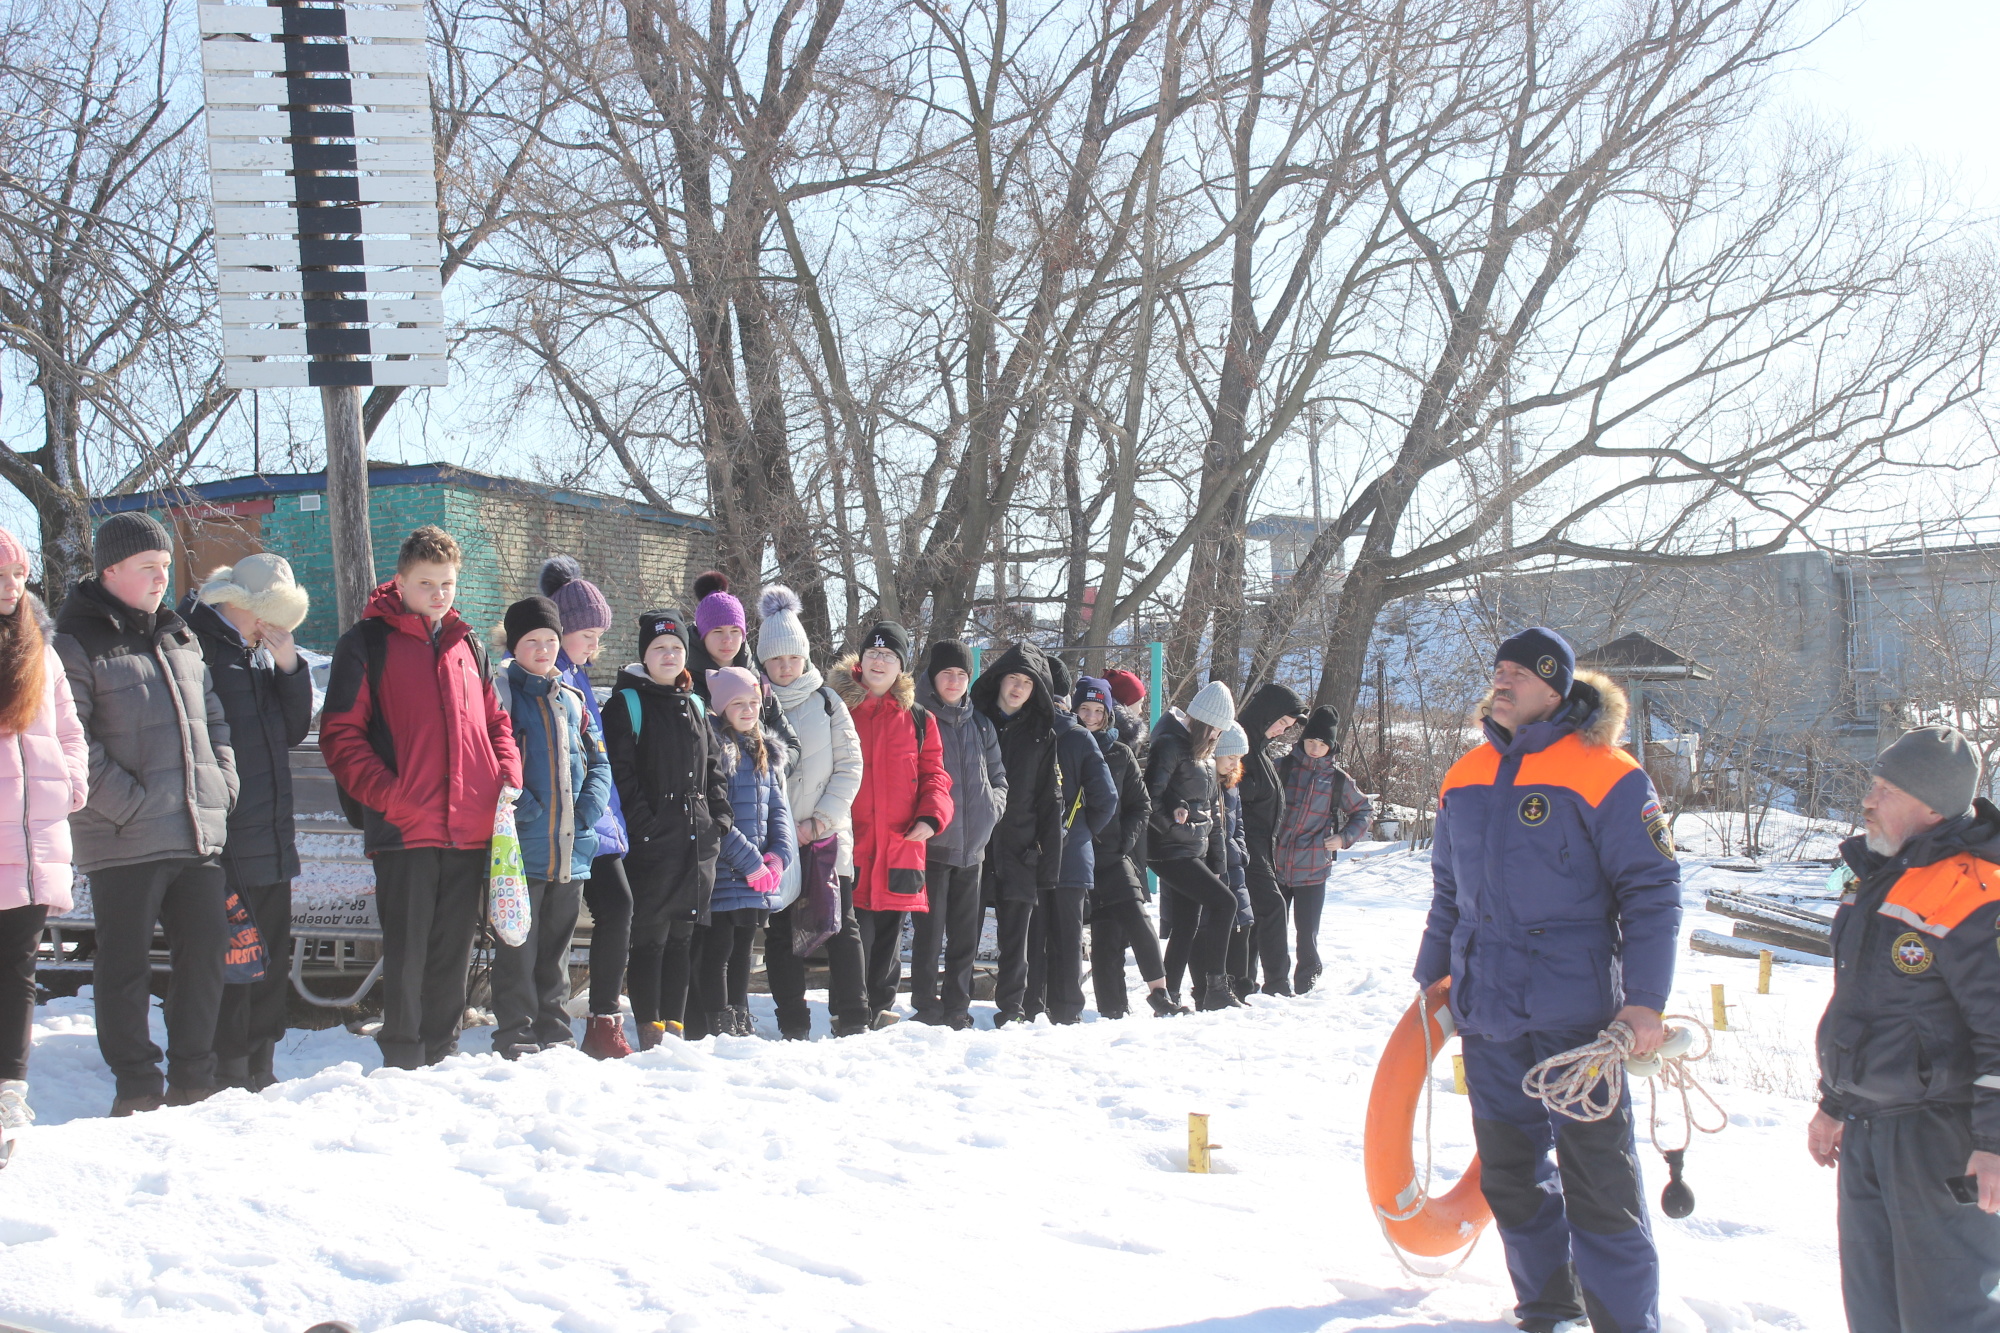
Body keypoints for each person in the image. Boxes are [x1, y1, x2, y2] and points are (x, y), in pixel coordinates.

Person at [1414, 627, 1680, 1333]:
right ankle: (1547, 1307)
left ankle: (1624, 1321)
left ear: (1555, 688)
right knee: (1509, 1174)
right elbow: (1449, 892)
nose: (1501, 683)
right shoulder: (1463, 776)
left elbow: (1652, 891)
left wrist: (1646, 1001)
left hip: (1577, 1016)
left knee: (1600, 1179)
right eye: (1497, 671)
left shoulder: (1609, 772)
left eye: (1518, 675)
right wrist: (1431, 979)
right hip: (1489, 1010)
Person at [1809, 725, 2000, 1332]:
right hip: (1867, 1128)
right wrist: (1834, 1102)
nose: (1869, 799)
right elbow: (1862, 1006)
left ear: (1932, 805)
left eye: (1886, 789)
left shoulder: (1976, 889)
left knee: (1949, 1314)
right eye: (1874, 784)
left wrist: (1995, 1145)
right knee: (1875, 1310)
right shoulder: (1877, 875)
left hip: (1939, 1136)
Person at [320, 526, 521, 1071]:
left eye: (447, 583)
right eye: (426, 582)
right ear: (402, 581)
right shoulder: (365, 643)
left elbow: (496, 720)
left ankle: (444, 1049)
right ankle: (404, 1055)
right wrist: (389, 796)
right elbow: (340, 735)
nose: (438, 593)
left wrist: (506, 772)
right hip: (405, 825)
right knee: (408, 950)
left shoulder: (467, 642)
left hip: (471, 822)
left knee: (453, 949)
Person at [58, 512, 238, 1114]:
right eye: (148, 568)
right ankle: (136, 1084)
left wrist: (223, 782)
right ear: (110, 570)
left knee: (205, 955)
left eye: (166, 567)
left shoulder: (178, 634)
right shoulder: (75, 640)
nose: (162, 578)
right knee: (125, 965)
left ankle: (193, 1079)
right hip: (123, 835)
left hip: (193, 831)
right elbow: (71, 739)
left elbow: (212, 719)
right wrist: (127, 803)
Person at [183, 555, 313, 1091]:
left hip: (270, 832)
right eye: (269, 614)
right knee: (235, 954)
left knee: (270, 954)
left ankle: (260, 1058)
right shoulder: (202, 648)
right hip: (231, 832)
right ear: (242, 604)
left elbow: (289, 732)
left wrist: (289, 668)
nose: (273, 626)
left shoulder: (255, 653)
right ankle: (230, 1064)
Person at [602, 610, 731, 1047]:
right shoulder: (627, 703)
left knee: (682, 937)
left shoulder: (695, 703)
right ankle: (648, 1026)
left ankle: (674, 1028)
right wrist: (644, 825)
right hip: (652, 841)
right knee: (651, 937)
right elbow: (620, 772)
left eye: (676, 647)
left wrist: (720, 818)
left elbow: (714, 767)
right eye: (659, 648)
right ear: (644, 654)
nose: (669, 655)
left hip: (697, 840)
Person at [490, 596, 610, 1060]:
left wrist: (585, 813)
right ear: (513, 645)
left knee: (557, 948)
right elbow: (492, 761)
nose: (542, 649)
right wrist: (528, 811)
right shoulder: (501, 693)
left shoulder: (574, 701)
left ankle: (555, 1032)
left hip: (571, 846)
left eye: (550, 641)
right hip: (523, 849)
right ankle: (516, 1033)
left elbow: (599, 763)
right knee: (518, 944)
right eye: (532, 641)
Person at [0, 525, 87, 1154]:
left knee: (19, 970)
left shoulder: (42, 650)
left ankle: (10, 1090)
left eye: (17, 575)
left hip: (32, 841)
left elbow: (70, 730)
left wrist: (69, 788)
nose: (10, 588)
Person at [754, 586, 868, 1040]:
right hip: (776, 838)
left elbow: (850, 766)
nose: (785, 668)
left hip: (826, 833)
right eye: (776, 660)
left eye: (793, 658)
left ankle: (854, 1016)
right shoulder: (753, 702)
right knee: (781, 931)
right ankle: (792, 1022)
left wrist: (819, 821)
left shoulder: (828, 701)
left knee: (842, 926)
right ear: (764, 662)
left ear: (804, 657)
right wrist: (782, 829)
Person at [834, 621, 952, 1027]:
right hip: (850, 842)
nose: (879, 661)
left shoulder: (920, 719)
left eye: (888, 656)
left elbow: (936, 775)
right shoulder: (836, 707)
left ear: (900, 666)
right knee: (854, 932)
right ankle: (848, 1009)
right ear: (860, 660)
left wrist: (931, 816)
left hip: (902, 842)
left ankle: (880, 1006)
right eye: (872, 654)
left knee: (888, 931)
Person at [542, 556, 636, 1060]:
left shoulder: (578, 677)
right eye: (589, 635)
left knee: (618, 906)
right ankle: (548, 1016)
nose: (596, 646)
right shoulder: (553, 676)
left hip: (596, 825)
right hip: (564, 825)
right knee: (557, 923)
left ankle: (604, 1017)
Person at [695, 666, 795, 1038]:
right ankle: (718, 1020)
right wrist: (750, 860)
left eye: (753, 701)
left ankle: (740, 1014)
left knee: (743, 951)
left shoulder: (765, 752)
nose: (748, 709)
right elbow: (716, 814)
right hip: (725, 871)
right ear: (722, 707)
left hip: (757, 877)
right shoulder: (717, 750)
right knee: (718, 950)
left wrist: (777, 856)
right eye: (738, 703)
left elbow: (778, 809)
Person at [912, 640, 1006, 1029]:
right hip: (934, 846)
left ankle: (957, 1006)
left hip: (974, 849)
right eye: (947, 673)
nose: (954, 681)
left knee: (965, 936)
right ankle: (925, 1003)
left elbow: (998, 775)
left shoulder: (980, 723)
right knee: (929, 935)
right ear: (933, 676)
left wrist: (991, 809)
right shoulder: (918, 718)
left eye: (962, 674)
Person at [1074, 676, 1180, 1018]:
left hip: (1114, 854)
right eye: (1084, 709)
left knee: (1135, 914)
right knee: (1104, 937)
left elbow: (1141, 804)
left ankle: (1160, 994)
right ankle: (1113, 1010)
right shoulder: (1063, 746)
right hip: (1076, 856)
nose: (1090, 716)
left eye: (1097, 710)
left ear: (1108, 714)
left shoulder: (1119, 753)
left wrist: (1123, 842)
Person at [970, 642, 1063, 1028]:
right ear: (999, 680)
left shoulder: (1042, 735)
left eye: (1027, 682)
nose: (1018, 687)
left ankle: (1012, 1009)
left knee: (1016, 940)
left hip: (1022, 846)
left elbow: (1050, 800)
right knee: (963, 932)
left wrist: (1049, 861)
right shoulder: (973, 721)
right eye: (1013, 678)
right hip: (974, 844)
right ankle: (954, 1001)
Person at [1146, 680, 1240, 1013]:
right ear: (1201, 722)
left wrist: (1216, 859)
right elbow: (1150, 798)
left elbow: (1209, 810)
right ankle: (1215, 986)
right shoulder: (1170, 745)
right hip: (1168, 849)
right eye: (1215, 730)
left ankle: (1168, 995)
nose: (1217, 737)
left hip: (1191, 849)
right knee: (1225, 904)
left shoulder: (1202, 753)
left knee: (1187, 923)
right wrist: (1172, 826)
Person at [1034, 656, 1116, 1025]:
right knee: (1068, 937)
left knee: (1032, 934)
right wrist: (1083, 831)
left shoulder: (1021, 731)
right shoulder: (1080, 736)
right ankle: (1067, 1010)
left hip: (1029, 851)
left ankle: (1032, 1005)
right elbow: (1107, 797)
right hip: (1072, 854)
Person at [1272, 705, 1370, 994]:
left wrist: (1344, 838)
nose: (1315, 748)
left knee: (1307, 933)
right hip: (1275, 862)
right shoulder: (1282, 767)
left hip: (1313, 867)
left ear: (1331, 746)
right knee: (1269, 928)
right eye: (1310, 742)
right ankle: (1269, 981)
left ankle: (1306, 981)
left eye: (1322, 744)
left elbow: (1363, 811)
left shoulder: (1338, 779)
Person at [1234, 682, 1307, 997]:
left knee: (1253, 917)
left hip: (1263, 847)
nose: (1281, 731)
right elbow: (1229, 786)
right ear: (1267, 714)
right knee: (1273, 908)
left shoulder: (1260, 749)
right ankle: (1277, 983)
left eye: (1287, 728)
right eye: (1280, 723)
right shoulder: (1239, 743)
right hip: (1246, 845)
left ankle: (1245, 982)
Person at [685, 571, 800, 770]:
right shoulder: (687, 685)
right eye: (718, 631)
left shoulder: (757, 682)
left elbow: (791, 745)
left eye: (735, 631)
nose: (728, 640)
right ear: (702, 635)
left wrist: (772, 773)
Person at [1212, 723, 1256, 1007]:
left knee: (1244, 923)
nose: (1233, 764)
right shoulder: (1205, 780)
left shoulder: (1231, 785)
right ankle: (1218, 984)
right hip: (1214, 863)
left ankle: (1241, 985)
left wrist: (1239, 847)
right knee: (1218, 925)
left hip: (1234, 862)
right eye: (1229, 757)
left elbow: (1237, 822)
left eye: (1238, 759)